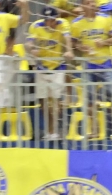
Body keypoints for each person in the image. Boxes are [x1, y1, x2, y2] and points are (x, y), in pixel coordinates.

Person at [71, 0, 112, 138]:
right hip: (88, 65)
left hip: (106, 63)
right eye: (88, 2)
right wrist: (81, 47)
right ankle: (94, 131)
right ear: (82, 6)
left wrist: (105, 42)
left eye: (93, 2)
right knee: (89, 100)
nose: (91, 4)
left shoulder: (106, 18)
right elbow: (74, 43)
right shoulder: (76, 23)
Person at [27, 7, 73, 141]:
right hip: (41, 67)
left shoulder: (63, 24)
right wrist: (32, 49)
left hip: (58, 67)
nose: (49, 23)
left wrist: (69, 51)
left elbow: (67, 38)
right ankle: (50, 131)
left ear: (56, 18)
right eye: (47, 20)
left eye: (52, 20)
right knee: (43, 101)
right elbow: (28, 43)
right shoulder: (36, 26)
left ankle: (57, 130)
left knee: (56, 99)